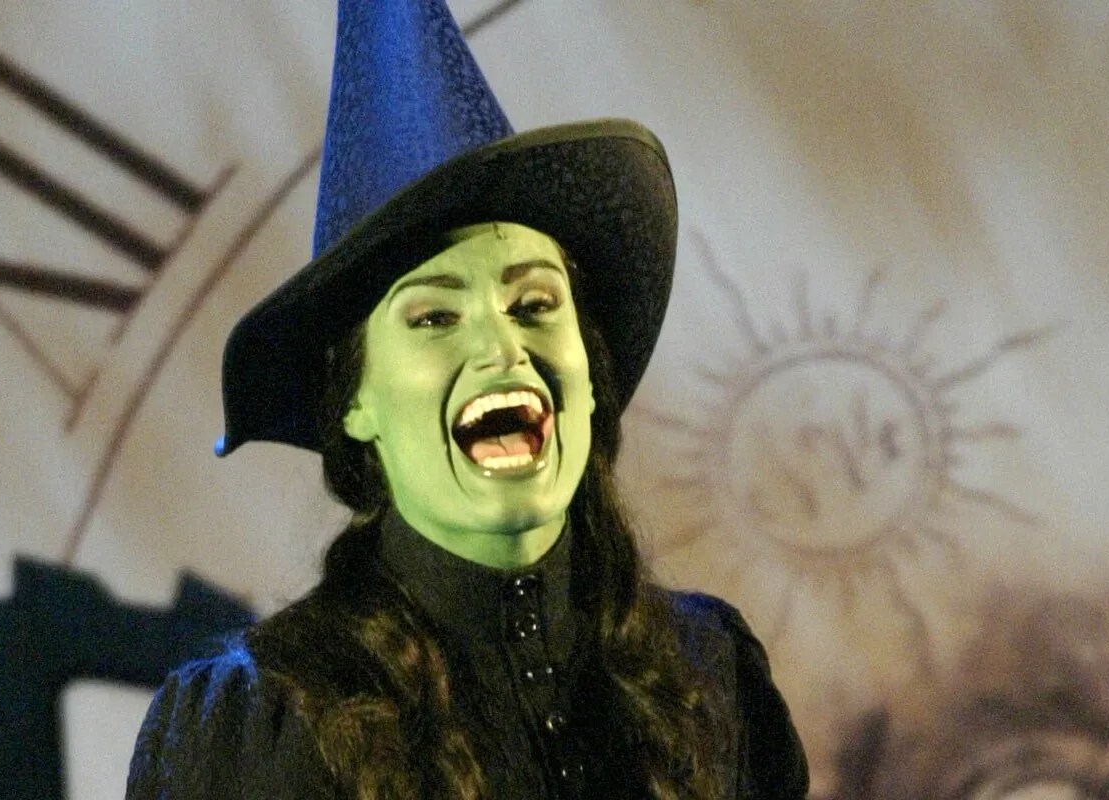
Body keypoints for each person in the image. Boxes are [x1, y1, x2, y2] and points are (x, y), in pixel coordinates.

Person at [126, 2, 807, 798]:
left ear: (589, 368)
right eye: (435, 318)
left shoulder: (712, 675)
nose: (502, 349)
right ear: (354, 400)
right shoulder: (259, 725)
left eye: (534, 305)